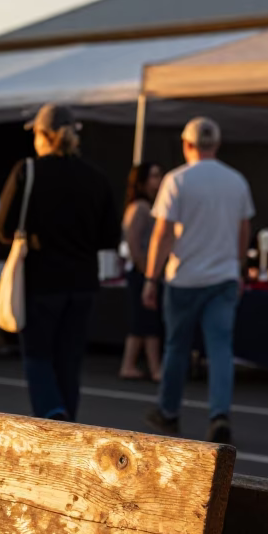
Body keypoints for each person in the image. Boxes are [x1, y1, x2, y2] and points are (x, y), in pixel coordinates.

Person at [0, 103, 120, 421]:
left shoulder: (28, 171)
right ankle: (68, 424)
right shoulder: (97, 177)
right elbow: (109, 237)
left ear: (42, 135)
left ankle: (53, 413)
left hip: (40, 279)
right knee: (69, 360)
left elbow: (3, 228)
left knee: (38, 356)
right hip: (82, 281)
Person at [143, 117, 254, 445]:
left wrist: (151, 277)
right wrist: (240, 266)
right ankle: (219, 413)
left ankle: (169, 410)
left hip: (184, 277)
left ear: (186, 144)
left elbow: (162, 233)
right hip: (223, 276)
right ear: (216, 144)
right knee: (220, 349)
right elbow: (243, 229)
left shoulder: (176, 180)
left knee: (177, 347)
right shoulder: (236, 181)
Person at [119, 162, 164, 381]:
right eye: (154, 176)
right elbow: (134, 244)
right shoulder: (140, 208)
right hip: (142, 273)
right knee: (147, 321)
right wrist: (149, 275)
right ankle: (155, 369)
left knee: (142, 323)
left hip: (142, 272)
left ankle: (130, 365)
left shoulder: (143, 207)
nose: (158, 181)